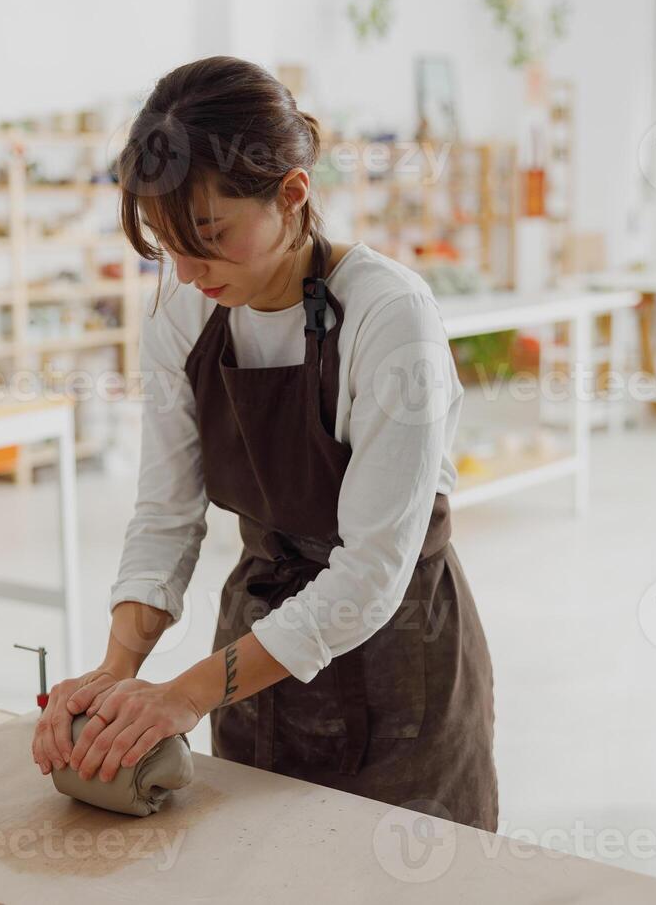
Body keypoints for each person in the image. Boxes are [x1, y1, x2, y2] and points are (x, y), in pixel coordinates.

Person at [30, 55, 498, 829]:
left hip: (399, 657)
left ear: (292, 194)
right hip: (252, 655)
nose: (185, 269)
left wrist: (182, 694)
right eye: (166, 243)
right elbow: (166, 513)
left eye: (209, 236)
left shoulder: (388, 318)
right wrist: (116, 681)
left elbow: (371, 574)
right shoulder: (183, 308)